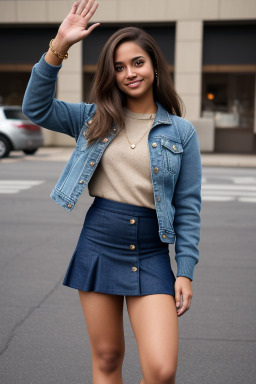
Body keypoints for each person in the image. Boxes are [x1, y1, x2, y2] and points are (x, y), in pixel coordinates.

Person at [22, 1, 202, 383]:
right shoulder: (93, 117)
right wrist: (59, 45)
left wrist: (184, 271)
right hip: (100, 241)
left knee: (161, 370)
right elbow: (35, 107)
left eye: (137, 62)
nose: (129, 73)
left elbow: (187, 207)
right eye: (118, 67)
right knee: (106, 358)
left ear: (154, 66)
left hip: (153, 250)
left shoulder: (181, 132)